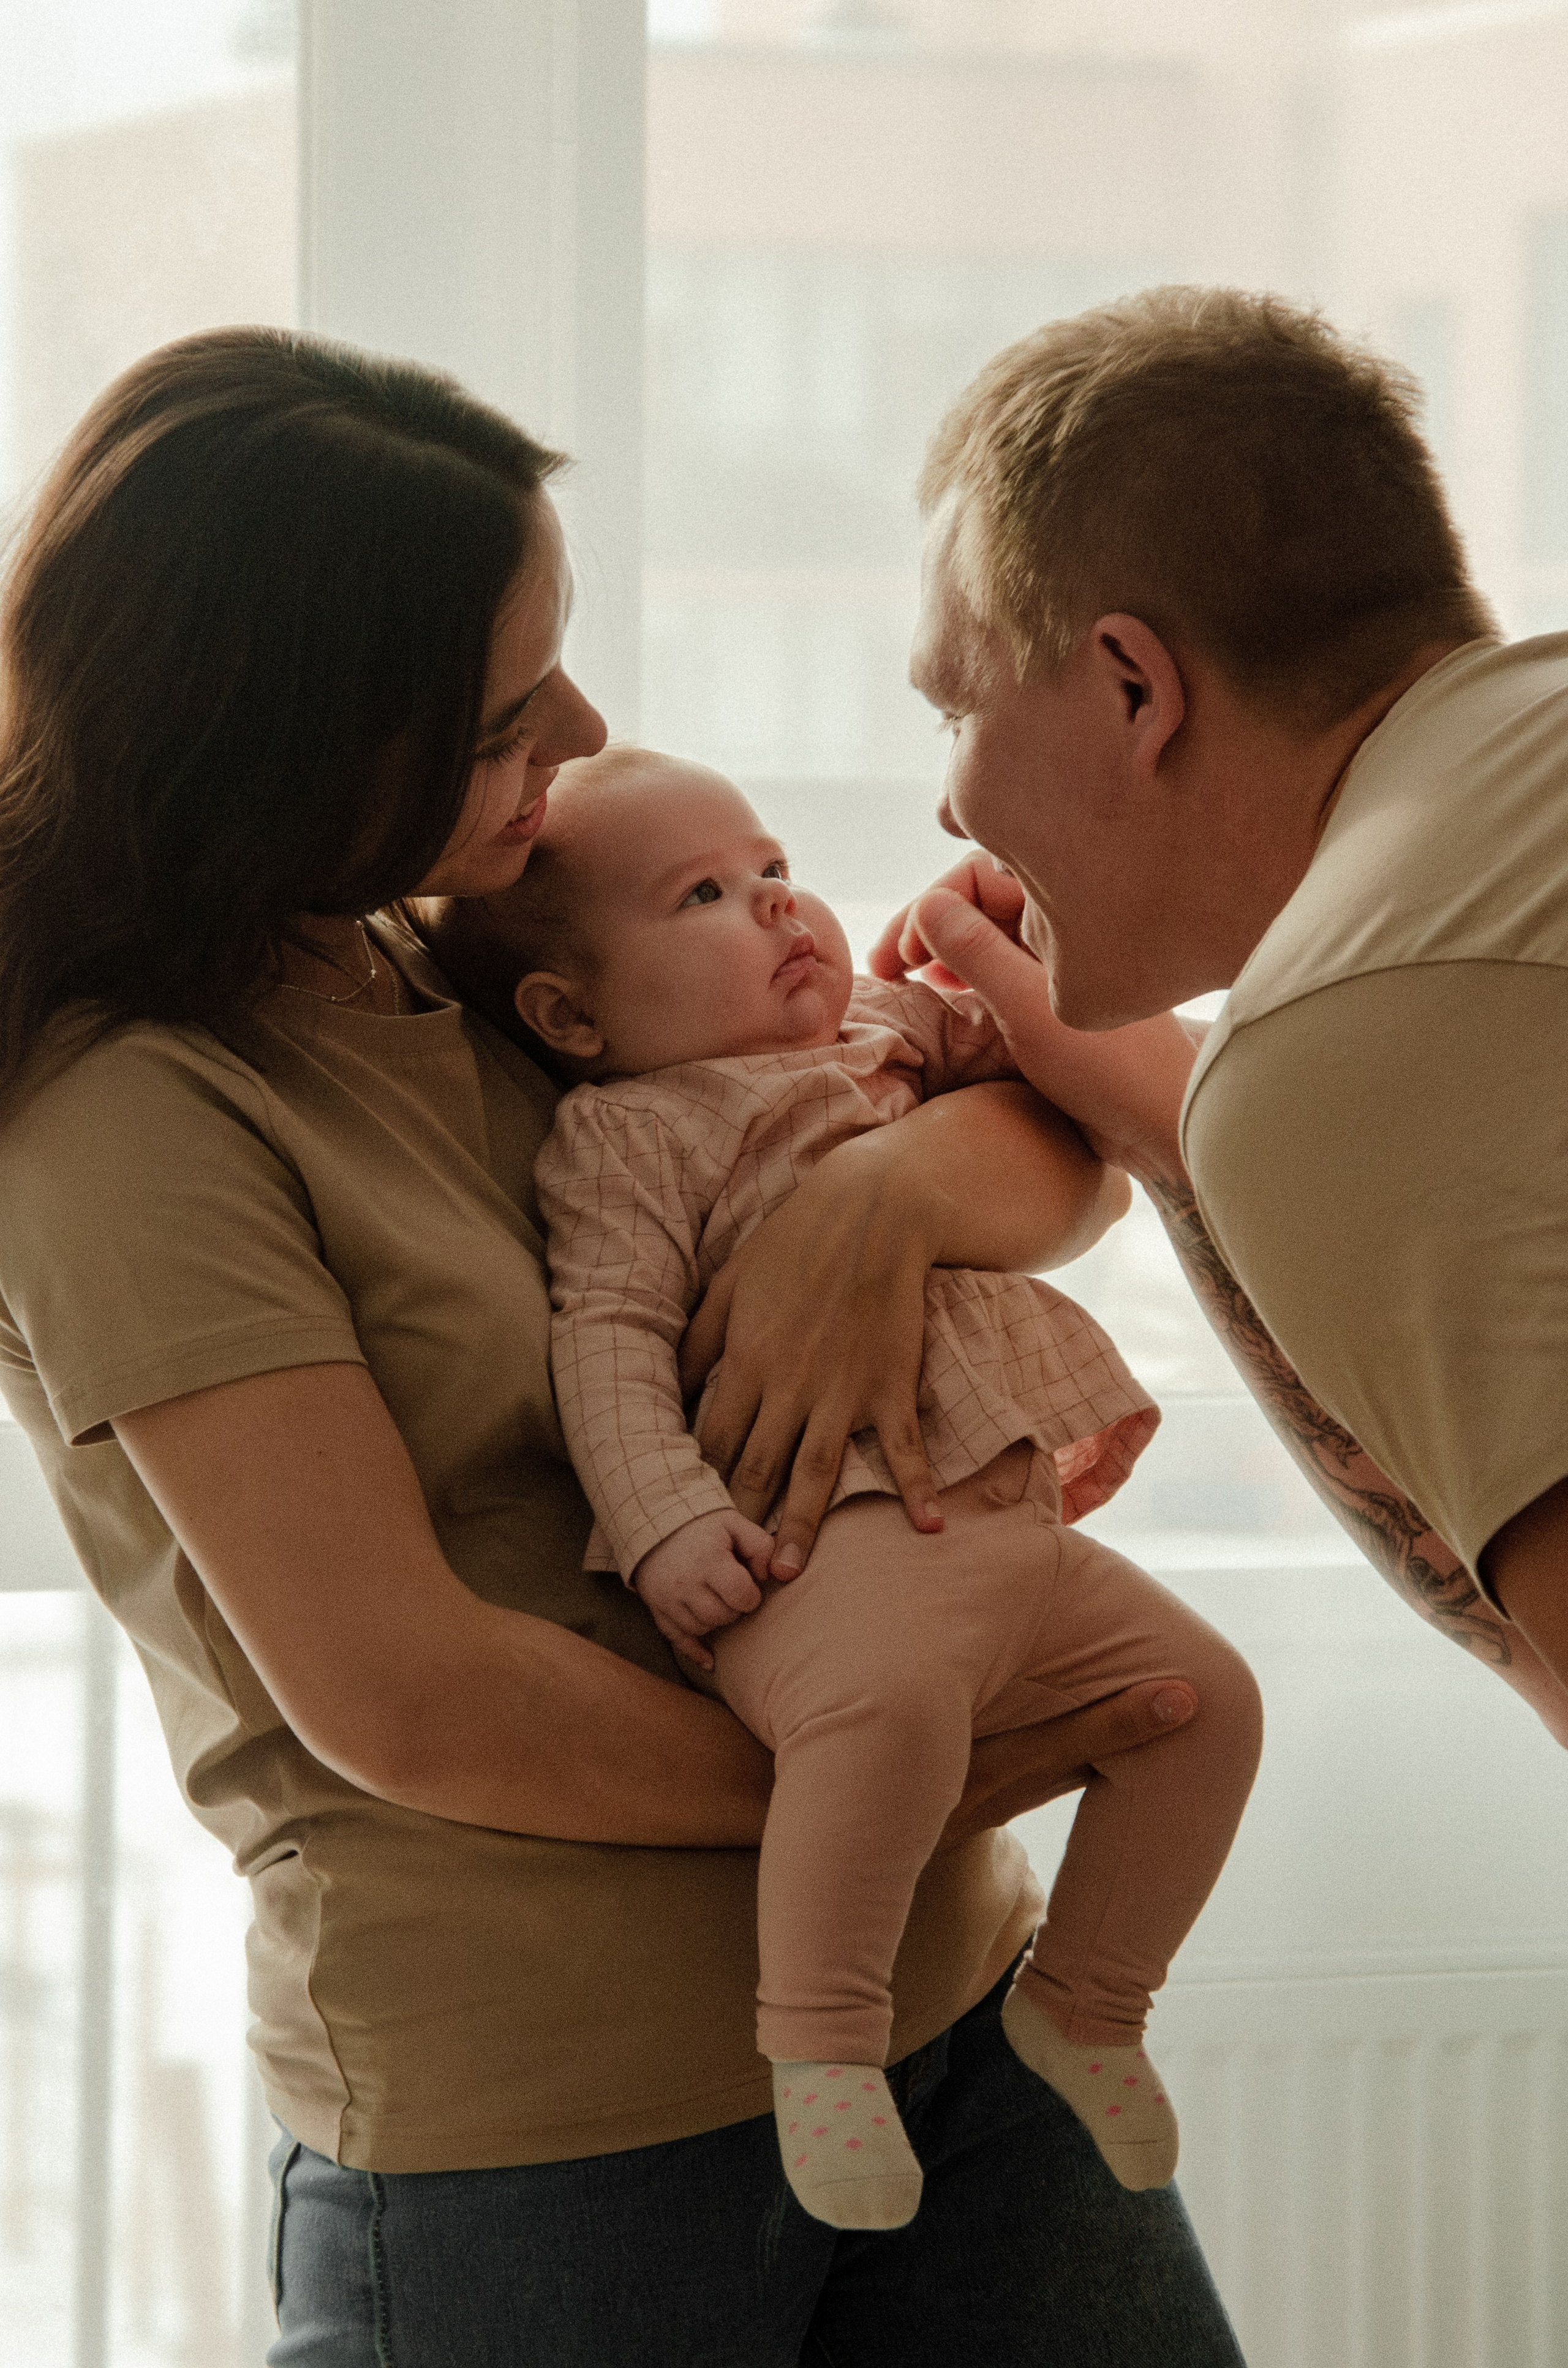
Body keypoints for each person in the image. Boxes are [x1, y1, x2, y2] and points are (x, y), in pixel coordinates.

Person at [0, 326, 1247, 2365]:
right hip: (554, 2130)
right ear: (290, 739)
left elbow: (1055, 1157)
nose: (582, 731)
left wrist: (876, 1208)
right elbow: (413, 1699)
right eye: (507, 713)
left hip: (958, 2009)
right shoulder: (132, 1114)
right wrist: (897, 1771)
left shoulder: (478, 941)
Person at [427, 743, 1264, 2226]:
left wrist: (1008, 935)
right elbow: (604, 1338)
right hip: (825, 1554)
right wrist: (667, 1519)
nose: (774, 903)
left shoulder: (880, 1030)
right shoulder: (628, 1135)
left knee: (1206, 1703)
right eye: (702, 895)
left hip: (1000, 1528)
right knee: (882, 1720)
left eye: (770, 867)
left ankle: (1085, 2000)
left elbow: (1057, 1076)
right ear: (572, 1015)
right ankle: (820, 2047)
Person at [876, 282, 1568, 1748]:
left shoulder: (1345, 1034)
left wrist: (1237, 1110)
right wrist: (1175, 1134)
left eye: (955, 709)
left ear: (1134, 686)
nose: (948, 806)